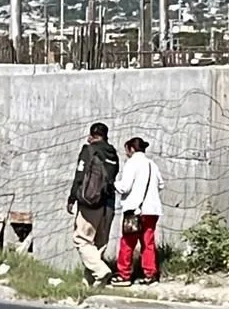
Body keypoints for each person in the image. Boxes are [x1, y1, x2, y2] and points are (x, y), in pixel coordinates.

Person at [67, 122, 119, 287]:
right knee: (99, 243)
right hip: (109, 204)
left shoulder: (88, 150)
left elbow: (80, 175)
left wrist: (72, 197)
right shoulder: (113, 154)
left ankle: (101, 271)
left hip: (91, 203)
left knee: (81, 239)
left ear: (92, 135)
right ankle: (90, 281)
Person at [111, 136, 163, 286]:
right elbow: (161, 184)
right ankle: (150, 274)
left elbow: (124, 187)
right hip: (152, 209)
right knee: (148, 242)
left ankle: (124, 275)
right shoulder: (152, 164)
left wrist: (113, 184)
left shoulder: (131, 163)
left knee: (128, 242)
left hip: (134, 209)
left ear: (131, 149)